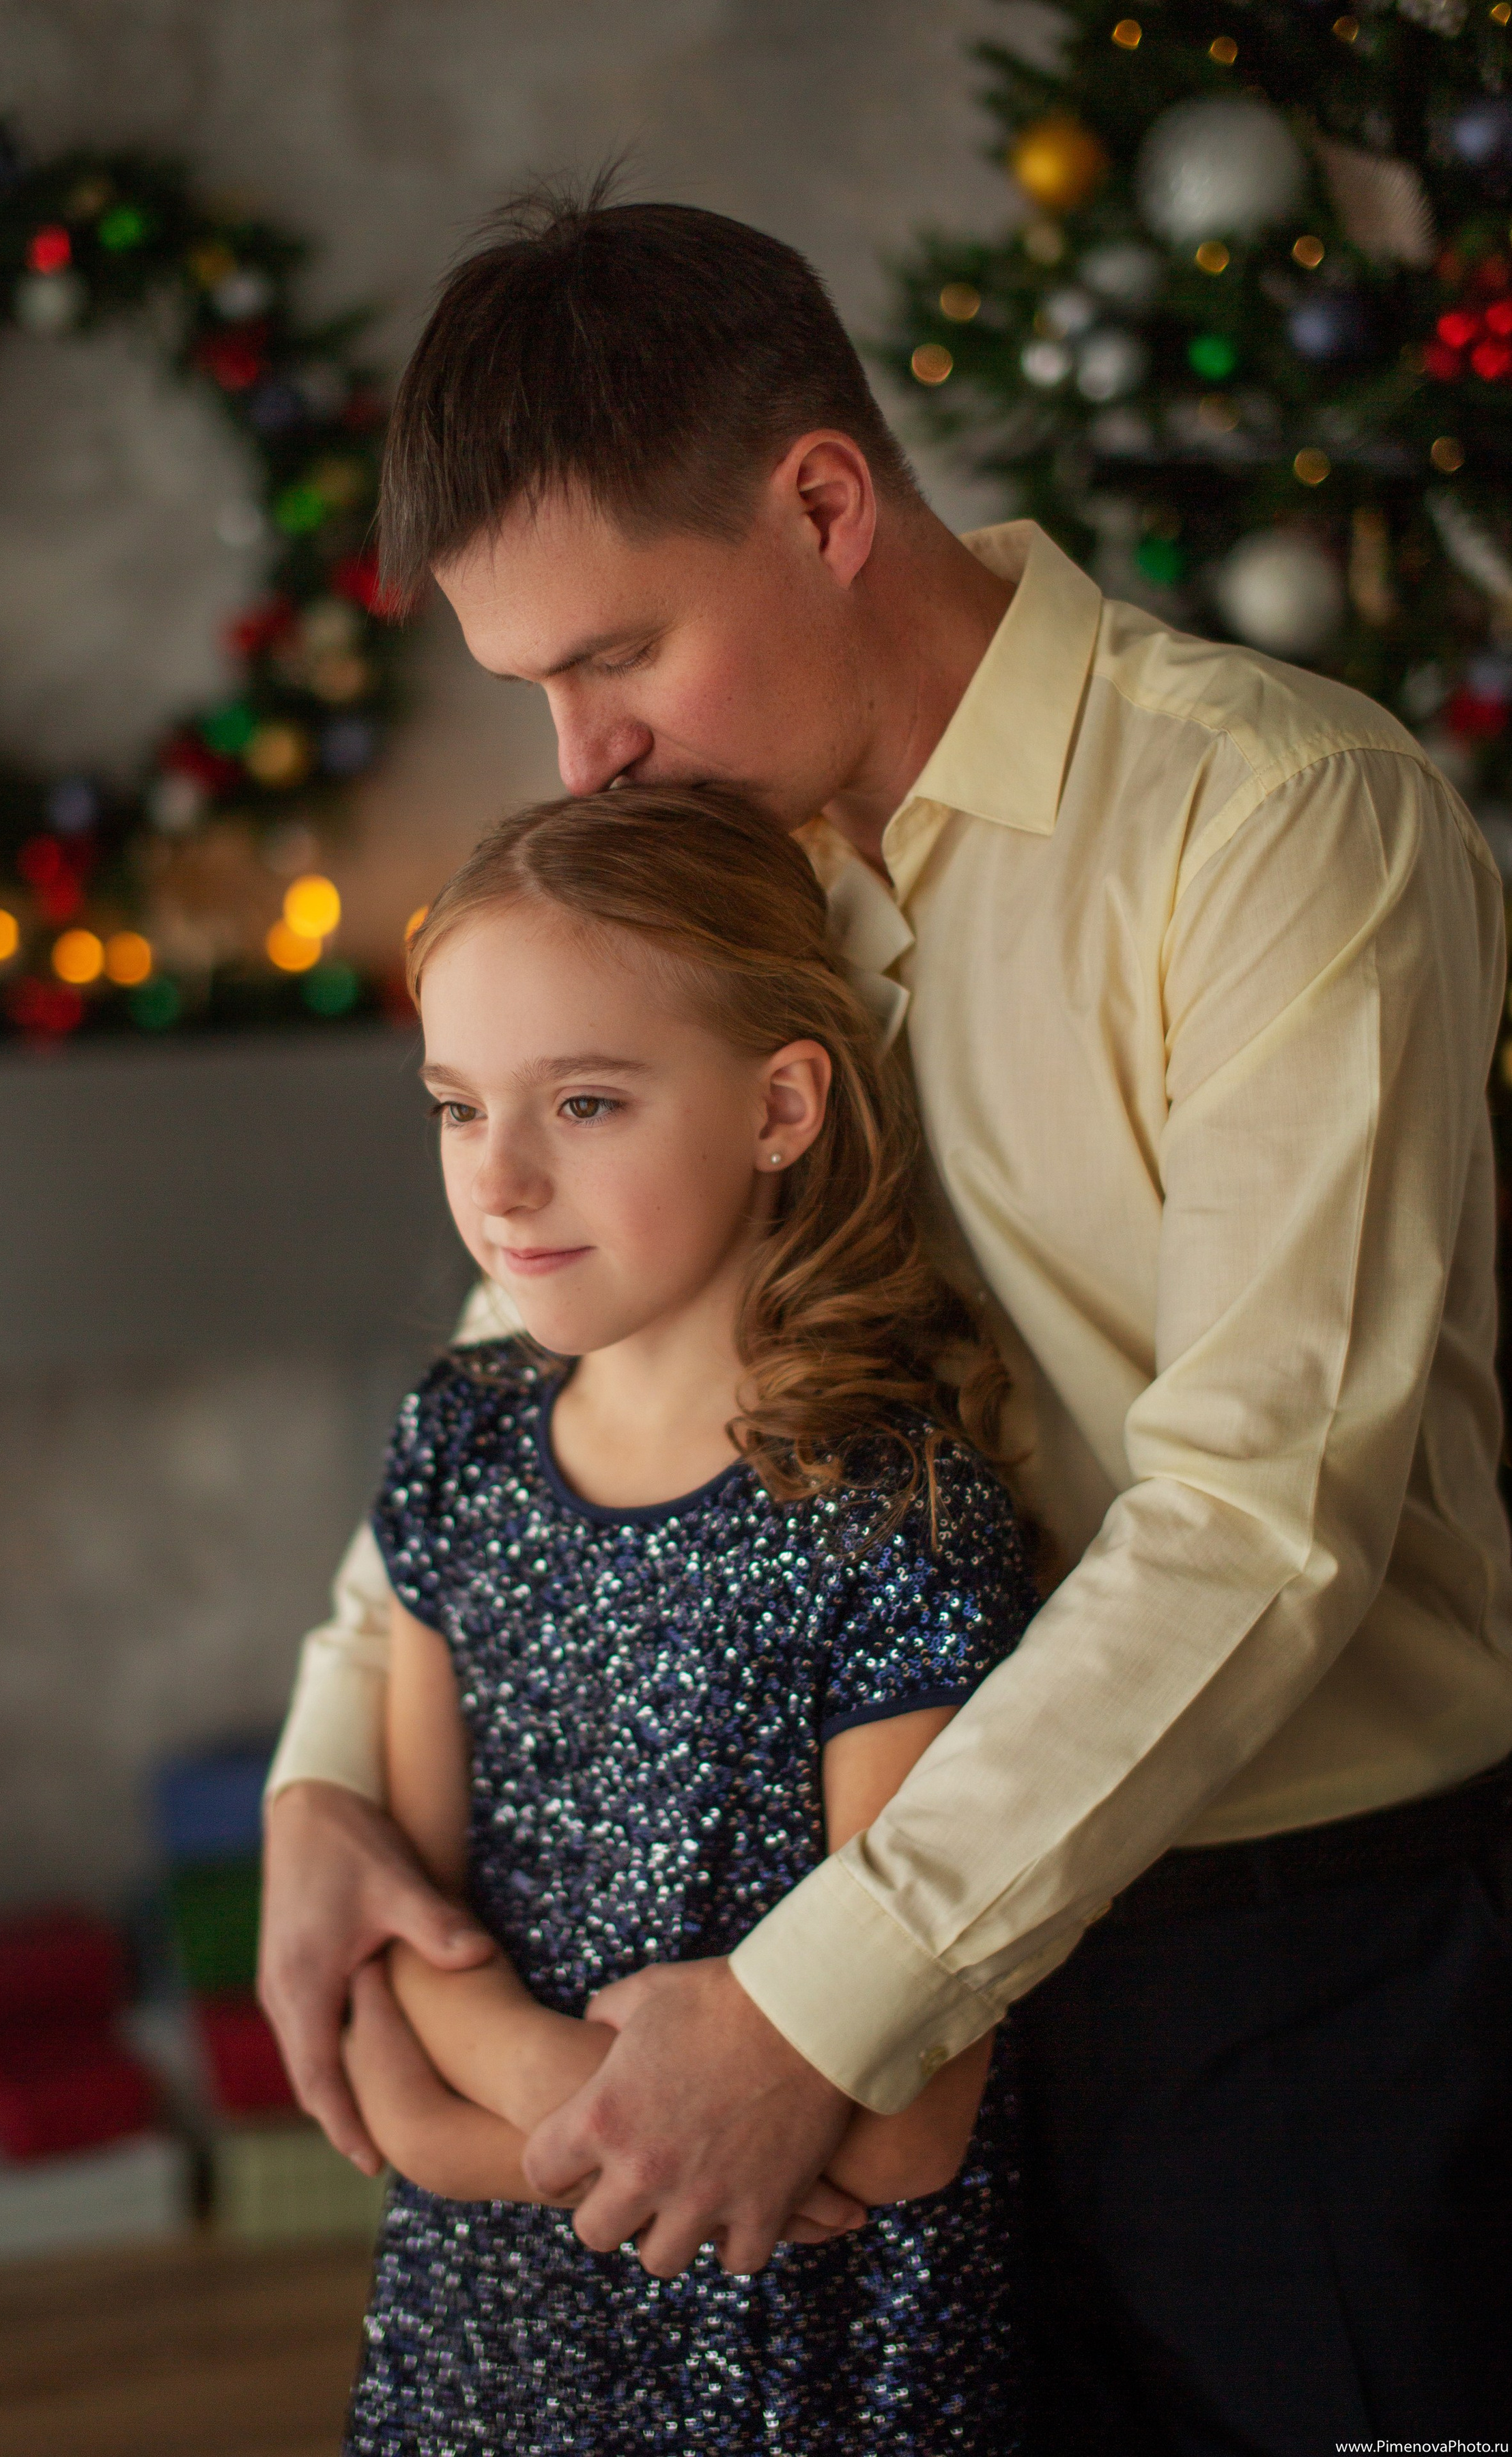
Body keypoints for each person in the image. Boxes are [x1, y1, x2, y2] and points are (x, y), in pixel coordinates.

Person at [261, 186, 1512, 2449]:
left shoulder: (1279, 823)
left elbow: (1260, 1522)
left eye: (614, 656)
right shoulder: (714, 874)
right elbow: (550, 1321)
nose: (581, 758)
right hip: (866, 1960)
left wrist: (809, 2015)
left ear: (822, 501)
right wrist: (328, 1770)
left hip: (1288, 1974)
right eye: (533, 690)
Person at [337, 782, 1040, 2452]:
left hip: (805, 2363)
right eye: (454, 1107)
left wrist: (478, 2128)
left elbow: (899, 2138)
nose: (498, 1180)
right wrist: (547, 2106)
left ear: (780, 1104)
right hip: (487, 2334)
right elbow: (405, 1929)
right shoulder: (458, 1443)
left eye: (582, 1103)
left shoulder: (894, 1511)